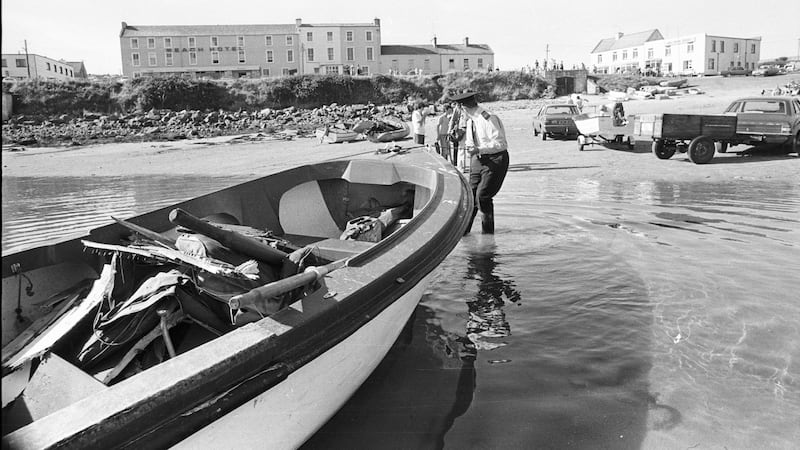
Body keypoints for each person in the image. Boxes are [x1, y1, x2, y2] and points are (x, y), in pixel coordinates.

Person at [449, 90, 509, 234]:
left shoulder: (488, 118)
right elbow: (470, 143)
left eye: (457, 109)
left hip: (495, 159)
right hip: (477, 159)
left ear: (462, 107)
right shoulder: (470, 121)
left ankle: (488, 235)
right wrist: (459, 139)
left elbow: (501, 144)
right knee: (471, 196)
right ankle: (464, 232)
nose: (457, 113)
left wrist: (479, 149)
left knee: (483, 196)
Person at [448, 102, 468, 171]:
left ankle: (465, 167)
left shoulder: (468, 106)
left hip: (469, 128)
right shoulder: (458, 107)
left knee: (468, 148)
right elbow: (453, 119)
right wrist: (449, 130)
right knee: (461, 148)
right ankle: (461, 167)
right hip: (461, 130)